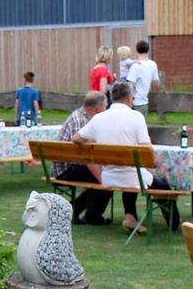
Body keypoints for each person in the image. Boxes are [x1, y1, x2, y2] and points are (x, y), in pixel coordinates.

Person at [73, 80, 180, 234]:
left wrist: (94, 142)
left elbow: (76, 138)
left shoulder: (99, 118)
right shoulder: (136, 117)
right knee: (161, 184)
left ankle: (131, 217)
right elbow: (147, 151)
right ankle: (174, 223)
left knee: (133, 173)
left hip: (109, 177)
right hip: (132, 177)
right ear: (129, 98)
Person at [52, 91, 108, 223]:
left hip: (69, 165)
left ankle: (87, 212)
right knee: (107, 178)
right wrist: (101, 179)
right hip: (66, 169)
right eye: (105, 107)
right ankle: (87, 213)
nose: (106, 110)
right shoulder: (81, 121)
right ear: (96, 109)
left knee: (105, 176)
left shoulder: (82, 116)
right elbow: (86, 155)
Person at [127, 39, 161, 115]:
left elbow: (130, 86)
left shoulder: (135, 66)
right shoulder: (153, 64)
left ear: (136, 50)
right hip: (144, 101)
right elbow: (157, 83)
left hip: (135, 102)